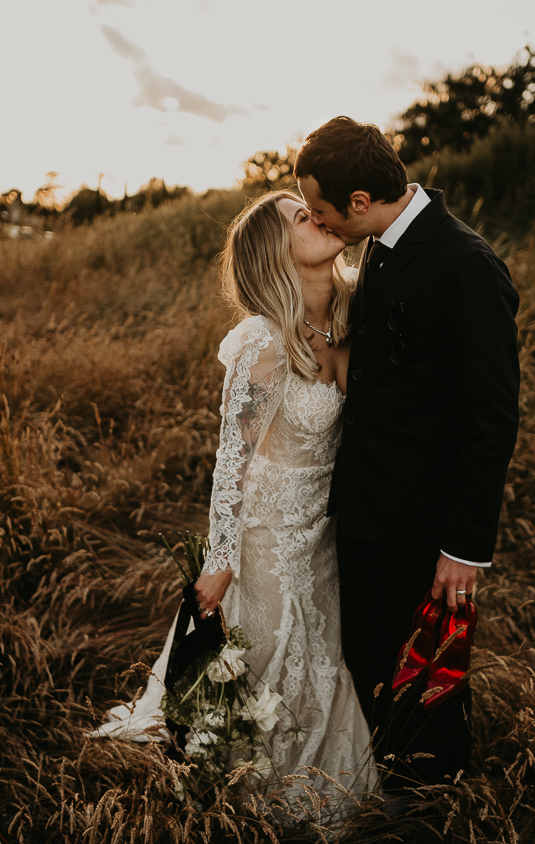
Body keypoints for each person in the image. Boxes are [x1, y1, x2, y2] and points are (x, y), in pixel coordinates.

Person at [94, 189, 378, 817]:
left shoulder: (361, 306)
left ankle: (326, 793)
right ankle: (245, 801)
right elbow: (232, 463)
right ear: (275, 253)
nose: (320, 215)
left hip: (323, 530)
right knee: (265, 658)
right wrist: (220, 558)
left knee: (324, 660)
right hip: (266, 536)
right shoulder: (262, 342)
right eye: (301, 217)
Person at [295, 116, 521, 793]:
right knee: (369, 664)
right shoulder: (379, 248)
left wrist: (465, 547)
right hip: (365, 513)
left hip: (426, 530)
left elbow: (492, 417)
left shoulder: (466, 265)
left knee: (428, 685)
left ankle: (432, 811)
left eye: (323, 210)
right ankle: (383, 794)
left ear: (360, 204)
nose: (319, 221)